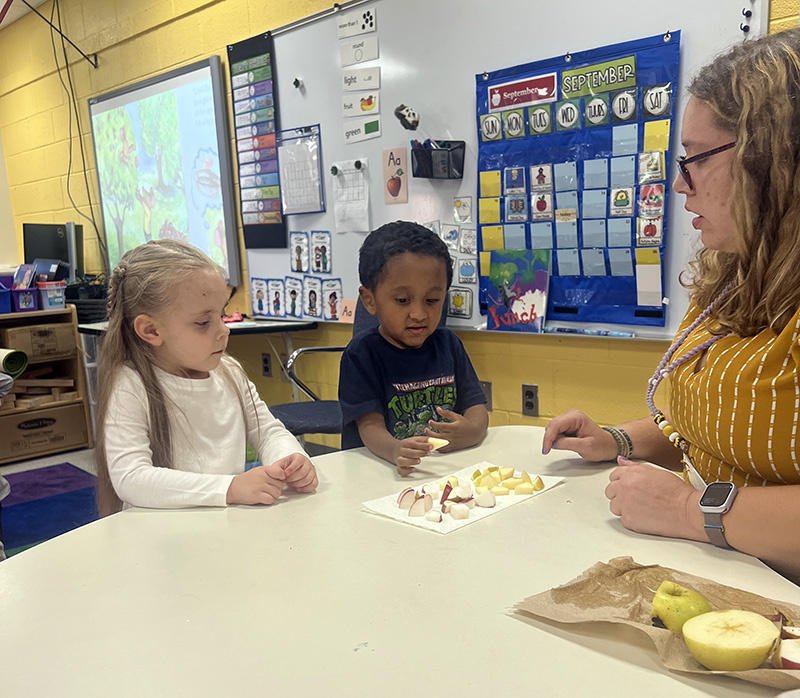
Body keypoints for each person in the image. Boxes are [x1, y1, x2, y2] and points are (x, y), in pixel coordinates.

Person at [542, 29, 800, 584]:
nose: (680, 186)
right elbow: (718, 432)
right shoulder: (733, 276)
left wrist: (689, 511)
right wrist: (619, 439)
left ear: (773, 157)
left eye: (696, 159)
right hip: (723, 574)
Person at [95, 240, 318, 516]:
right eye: (203, 322)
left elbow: (268, 431)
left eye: (223, 314)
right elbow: (131, 478)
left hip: (223, 526)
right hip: (161, 537)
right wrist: (230, 488)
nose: (224, 330)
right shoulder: (131, 385)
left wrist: (289, 459)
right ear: (151, 330)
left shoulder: (230, 372)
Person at [339, 221, 489, 475]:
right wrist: (395, 450)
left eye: (432, 300)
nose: (419, 314)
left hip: (439, 471)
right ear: (369, 300)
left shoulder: (448, 344)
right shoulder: (361, 354)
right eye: (402, 300)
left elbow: (476, 407)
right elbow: (369, 428)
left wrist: (473, 430)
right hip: (377, 473)